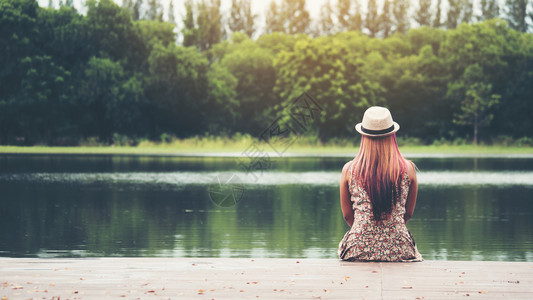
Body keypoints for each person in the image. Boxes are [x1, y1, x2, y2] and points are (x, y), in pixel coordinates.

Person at [337, 106, 423, 262]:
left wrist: (366, 236)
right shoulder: (408, 169)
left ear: (364, 136)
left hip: (357, 248)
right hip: (400, 248)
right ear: (392, 136)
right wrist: (388, 233)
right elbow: (408, 213)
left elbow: (348, 215)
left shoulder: (348, 170)